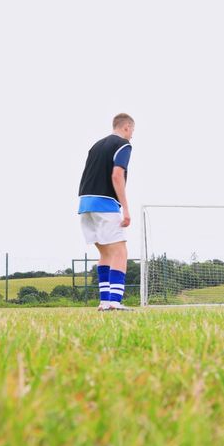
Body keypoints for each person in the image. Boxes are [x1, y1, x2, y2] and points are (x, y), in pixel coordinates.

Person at [78, 113, 135, 311]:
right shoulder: (123, 144)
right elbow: (117, 175)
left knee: (105, 253)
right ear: (127, 127)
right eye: (132, 131)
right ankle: (114, 302)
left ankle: (104, 301)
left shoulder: (95, 146)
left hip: (85, 204)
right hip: (105, 203)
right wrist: (125, 208)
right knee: (120, 251)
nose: (132, 136)